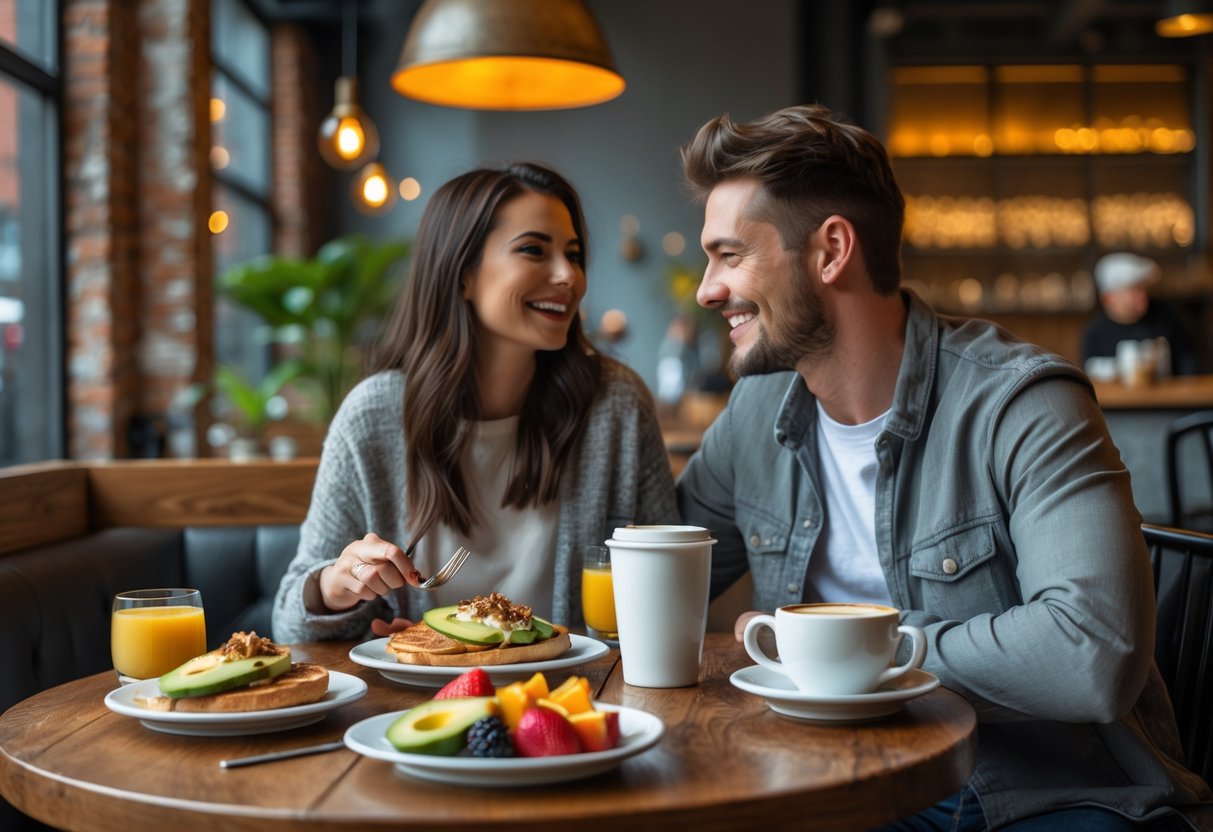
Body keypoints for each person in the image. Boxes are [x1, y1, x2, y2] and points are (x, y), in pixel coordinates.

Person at [675, 104, 1213, 830]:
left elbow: (1094, 651)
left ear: (831, 250)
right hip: (843, 783)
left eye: (729, 255)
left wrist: (869, 648)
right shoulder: (755, 414)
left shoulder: (1022, 404)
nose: (707, 289)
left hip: (1046, 797)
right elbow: (650, 571)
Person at [273, 162, 677, 642]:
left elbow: (671, 583)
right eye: (533, 250)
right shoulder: (373, 416)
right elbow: (289, 623)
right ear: (462, 274)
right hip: (427, 702)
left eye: (574, 254)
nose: (568, 275)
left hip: (580, 699)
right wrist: (334, 588)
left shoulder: (617, 406)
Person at [1081, 252, 1198, 377]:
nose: (1142, 296)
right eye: (1133, 290)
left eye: (1143, 289)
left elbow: (1188, 360)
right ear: (1109, 298)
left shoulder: (1165, 316)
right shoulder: (1096, 332)